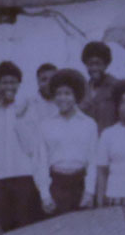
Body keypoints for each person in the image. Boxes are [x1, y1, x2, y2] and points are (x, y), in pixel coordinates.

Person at [0, 63, 44, 234]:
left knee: (25, 229)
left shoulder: (29, 109)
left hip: (24, 177)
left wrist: (19, 117)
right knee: (4, 230)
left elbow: (31, 147)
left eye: (13, 82)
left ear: (19, 84)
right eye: (4, 82)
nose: (9, 87)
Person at [35, 70, 97, 216]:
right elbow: (40, 161)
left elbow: (93, 160)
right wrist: (45, 195)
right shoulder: (45, 124)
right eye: (58, 94)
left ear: (76, 96)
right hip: (56, 185)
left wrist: (89, 192)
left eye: (67, 93)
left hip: (80, 184)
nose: (63, 98)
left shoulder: (89, 124)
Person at [93, 84, 125, 211]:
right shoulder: (108, 134)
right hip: (115, 199)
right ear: (118, 106)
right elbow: (101, 172)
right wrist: (100, 203)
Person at [76, 42, 120, 131]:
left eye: (98, 64)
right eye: (90, 64)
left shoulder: (117, 87)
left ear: (106, 65)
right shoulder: (82, 90)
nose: (94, 68)